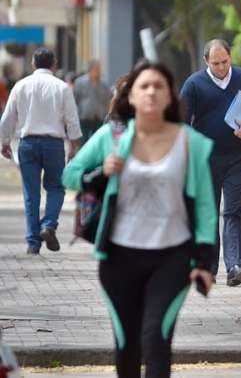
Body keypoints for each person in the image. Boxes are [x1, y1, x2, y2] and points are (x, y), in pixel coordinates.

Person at [62, 61, 218, 378]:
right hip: (118, 258)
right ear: (129, 96)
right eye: (143, 86)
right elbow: (70, 175)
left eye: (159, 86)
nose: (151, 91)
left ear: (170, 97)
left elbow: (205, 206)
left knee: (156, 338)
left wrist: (205, 260)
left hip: (173, 257)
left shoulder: (191, 143)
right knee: (127, 344)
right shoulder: (111, 136)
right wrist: (99, 173)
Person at [180, 39, 241, 286]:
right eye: (216, 63)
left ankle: (236, 266)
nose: (221, 67)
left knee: (233, 210)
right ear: (206, 61)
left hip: (237, 159)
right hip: (205, 160)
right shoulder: (194, 84)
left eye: (225, 62)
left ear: (230, 57)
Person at [0, 48, 82, 255]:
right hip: (54, 145)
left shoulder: (21, 85)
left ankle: (33, 243)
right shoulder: (62, 87)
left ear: (33, 64)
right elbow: (72, 120)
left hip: (27, 144)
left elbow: (8, 117)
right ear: (54, 64)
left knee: (31, 193)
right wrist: (74, 146)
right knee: (55, 187)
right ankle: (49, 225)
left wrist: (4, 142)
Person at [74, 59, 112, 143]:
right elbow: (75, 99)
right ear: (90, 69)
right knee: (84, 141)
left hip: (99, 117)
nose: (99, 71)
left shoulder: (104, 85)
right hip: (84, 117)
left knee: (97, 141)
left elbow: (107, 100)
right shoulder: (80, 82)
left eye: (99, 69)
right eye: (96, 69)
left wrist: (107, 114)